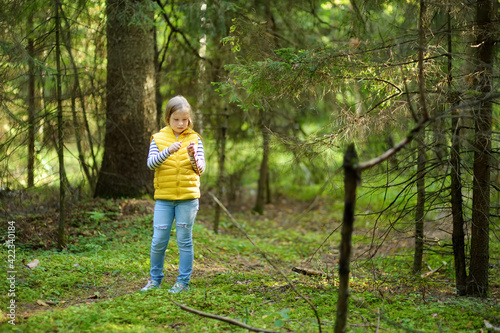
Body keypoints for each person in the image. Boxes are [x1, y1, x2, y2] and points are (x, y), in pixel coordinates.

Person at [141, 95, 205, 294]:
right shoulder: (158, 139)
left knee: (184, 240)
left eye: (184, 119)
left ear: (189, 119)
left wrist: (193, 156)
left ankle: (183, 282)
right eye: (176, 119)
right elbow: (151, 164)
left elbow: (201, 169)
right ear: (168, 118)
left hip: (187, 199)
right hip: (164, 199)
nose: (180, 123)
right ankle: (155, 280)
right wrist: (168, 151)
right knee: (159, 239)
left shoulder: (195, 139)